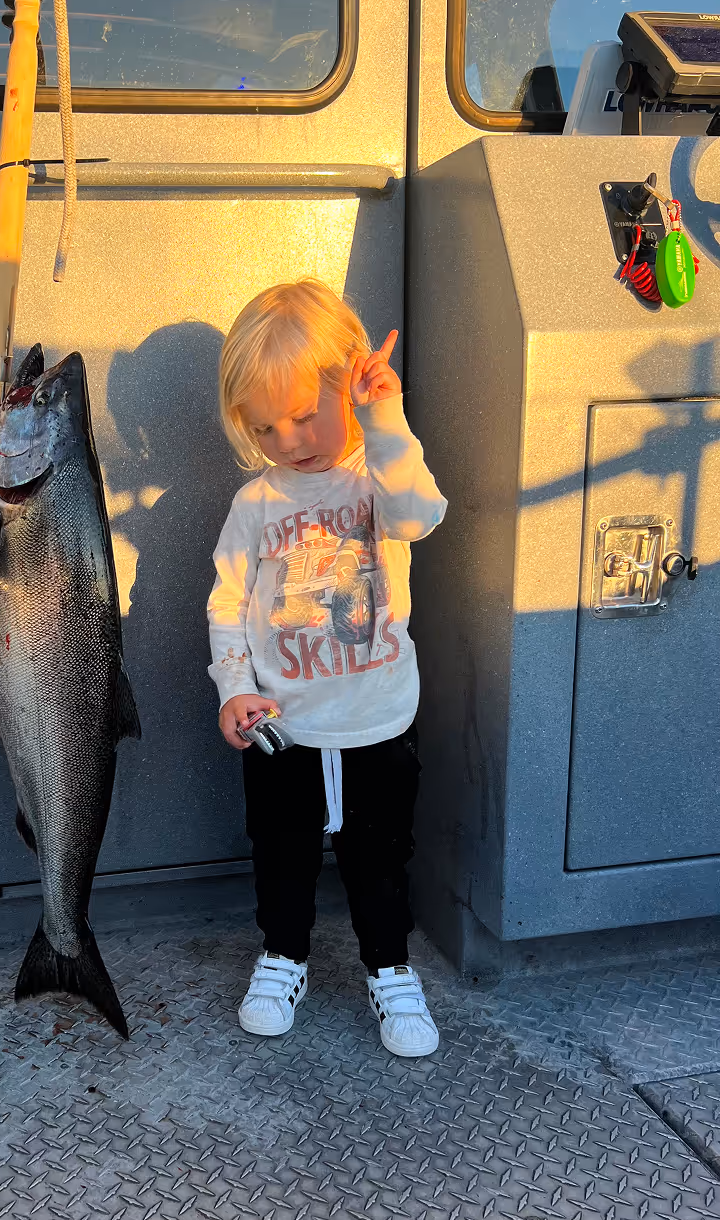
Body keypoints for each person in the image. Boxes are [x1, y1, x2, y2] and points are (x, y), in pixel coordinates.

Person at [206, 278, 447, 1056]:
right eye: (265, 426)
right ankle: (284, 955)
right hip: (282, 725)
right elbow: (228, 603)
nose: (289, 439)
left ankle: (390, 966)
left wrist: (385, 419)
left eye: (307, 413)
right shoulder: (255, 504)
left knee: (381, 858)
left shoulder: (379, 477)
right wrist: (235, 688)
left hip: (378, 716)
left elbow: (421, 515)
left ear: (351, 381)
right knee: (281, 854)